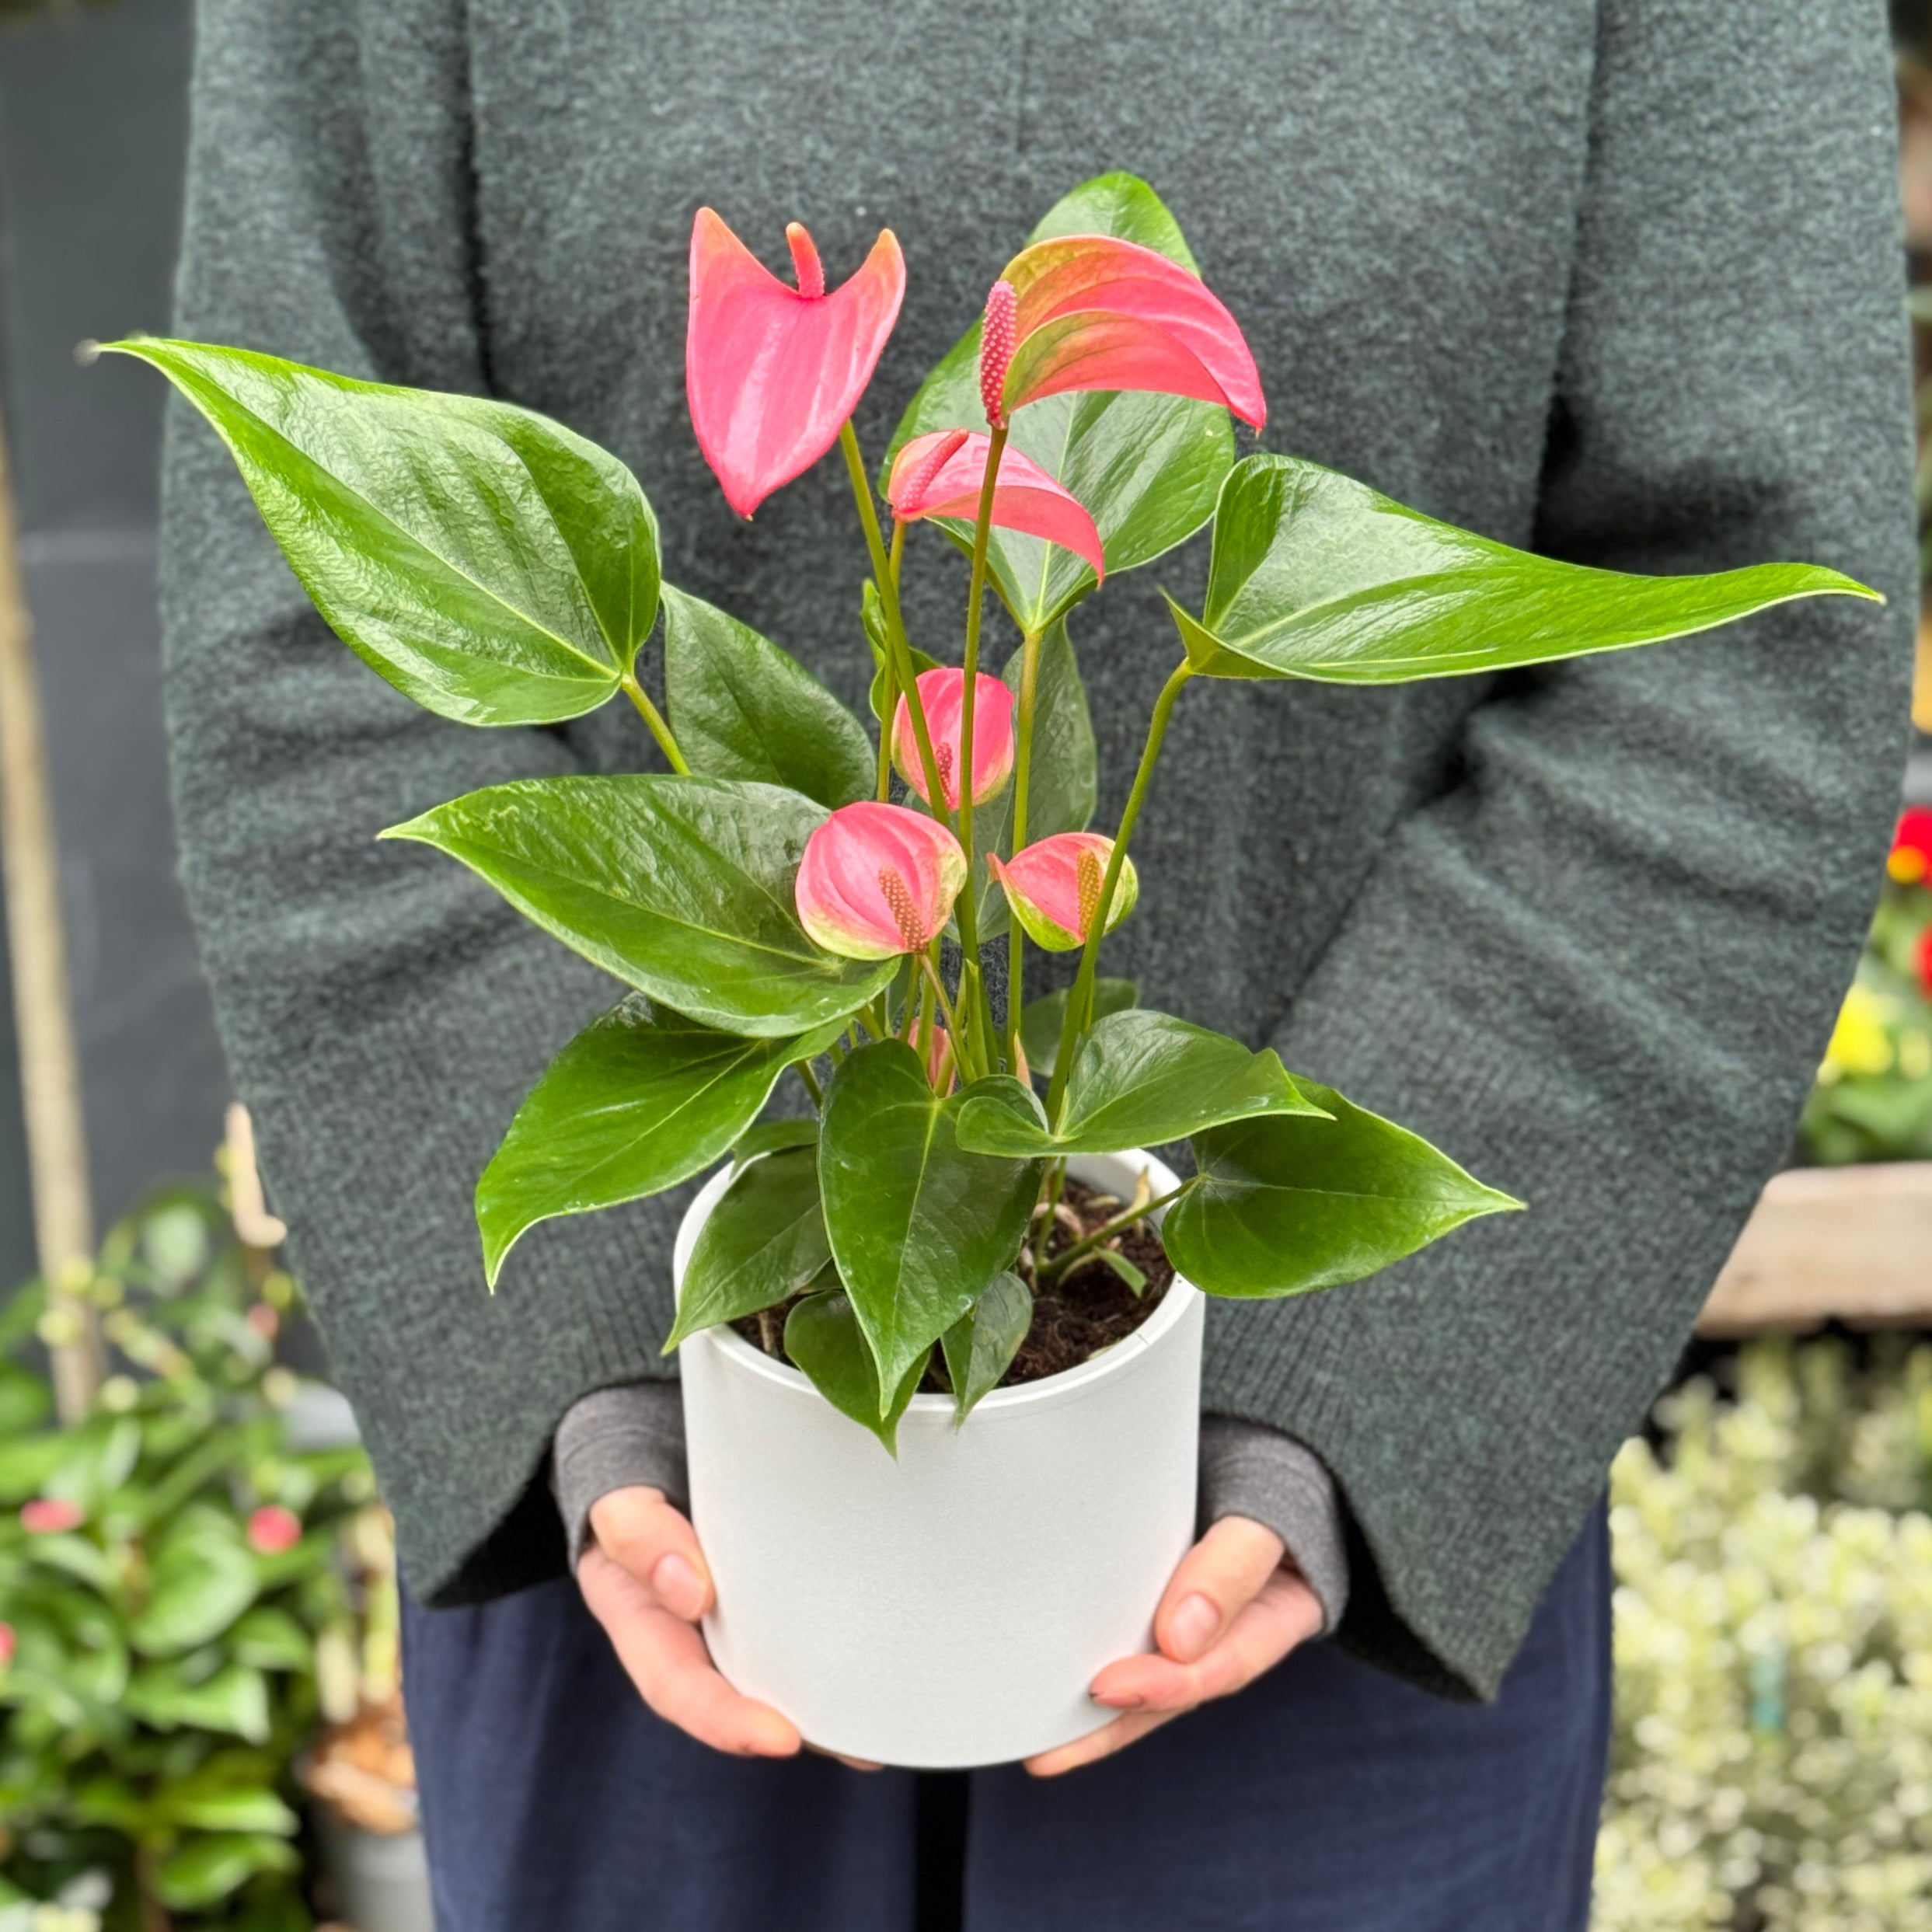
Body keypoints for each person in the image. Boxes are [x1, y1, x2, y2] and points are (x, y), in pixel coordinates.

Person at [157, 3, 1915, 1927]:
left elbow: (1734, 634)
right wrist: (606, 1344)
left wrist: (1351, 1377)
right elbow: (306, 604)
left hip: (1335, 1557)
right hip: (644, 1544)